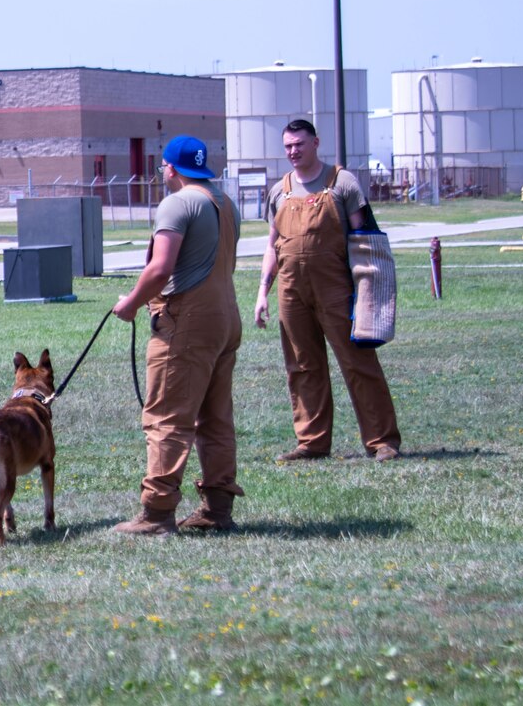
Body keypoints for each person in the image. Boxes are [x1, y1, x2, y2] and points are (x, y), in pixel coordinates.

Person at [110, 135, 245, 535]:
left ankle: (157, 513)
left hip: (186, 321)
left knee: (167, 418)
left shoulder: (178, 202)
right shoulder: (224, 202)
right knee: (215, 419)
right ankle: (218, 509)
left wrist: (132, 303)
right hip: (225, 316)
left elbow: (160, 268)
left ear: (169, 168)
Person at [254, 119, 402, 462]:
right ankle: (312, 442)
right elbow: (272, 245)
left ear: (316, 143)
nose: (293, 151)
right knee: (302, 366)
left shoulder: (342, 183)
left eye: (299, 144)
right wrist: (263, 291)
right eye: (288, 146)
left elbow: (367, 240)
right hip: (291, 293)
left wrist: (371, 291)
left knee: (358, 362)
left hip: (336, 289)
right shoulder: (280, 190)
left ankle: (382, 441)